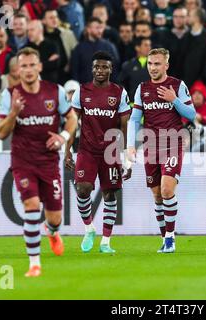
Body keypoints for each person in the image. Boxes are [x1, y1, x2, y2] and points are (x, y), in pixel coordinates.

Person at [0, 47, 78, 277]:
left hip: (49, 162)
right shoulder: (9, 95)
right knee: (31, 205)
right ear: (17, 70)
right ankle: (34, 264)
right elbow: (1, 133)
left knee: (55, 217)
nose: (29, 70)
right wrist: (14, 113)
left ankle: (52, 231)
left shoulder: (55, 92)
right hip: (23, 161)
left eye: (32, 65)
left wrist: (62, 137)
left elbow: (72, 120)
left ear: (40, 67)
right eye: (24, 66)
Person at [127, 48, 196, 253]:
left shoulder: (177, 85)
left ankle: (170, 239)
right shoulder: (142, 88)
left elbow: (191, 114)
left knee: (167, 190)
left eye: (157, 64)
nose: (153, 68)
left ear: (166, 65)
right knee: (157, 195)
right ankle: (164, 236)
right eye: (150, 64)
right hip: (151, 145)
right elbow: (133, 119)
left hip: (173, 143)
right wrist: (131, 145)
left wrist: (174, 99)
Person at [65, 51, 132, 254]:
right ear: (92, 68)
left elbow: (124, 126)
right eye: (96, 67)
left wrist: (126, 158)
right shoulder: (81, 91)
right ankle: (89, 228)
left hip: (110, 152)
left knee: (109, 193)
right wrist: (67, 151)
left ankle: (106, 241)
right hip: (87, 150)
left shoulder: (119, 93)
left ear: (111, 69)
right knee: (83, 189)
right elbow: (72, 123)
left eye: (104, 67)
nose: (99, 70)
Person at [70, 17, 119, 84]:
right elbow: (75, 72)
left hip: (105, 89)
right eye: (97, 28)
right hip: (86, 89)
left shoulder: (109, 47)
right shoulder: (79, 48)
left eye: (101, 28)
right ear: (88, 29)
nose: (100, 31)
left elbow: (115, 69)